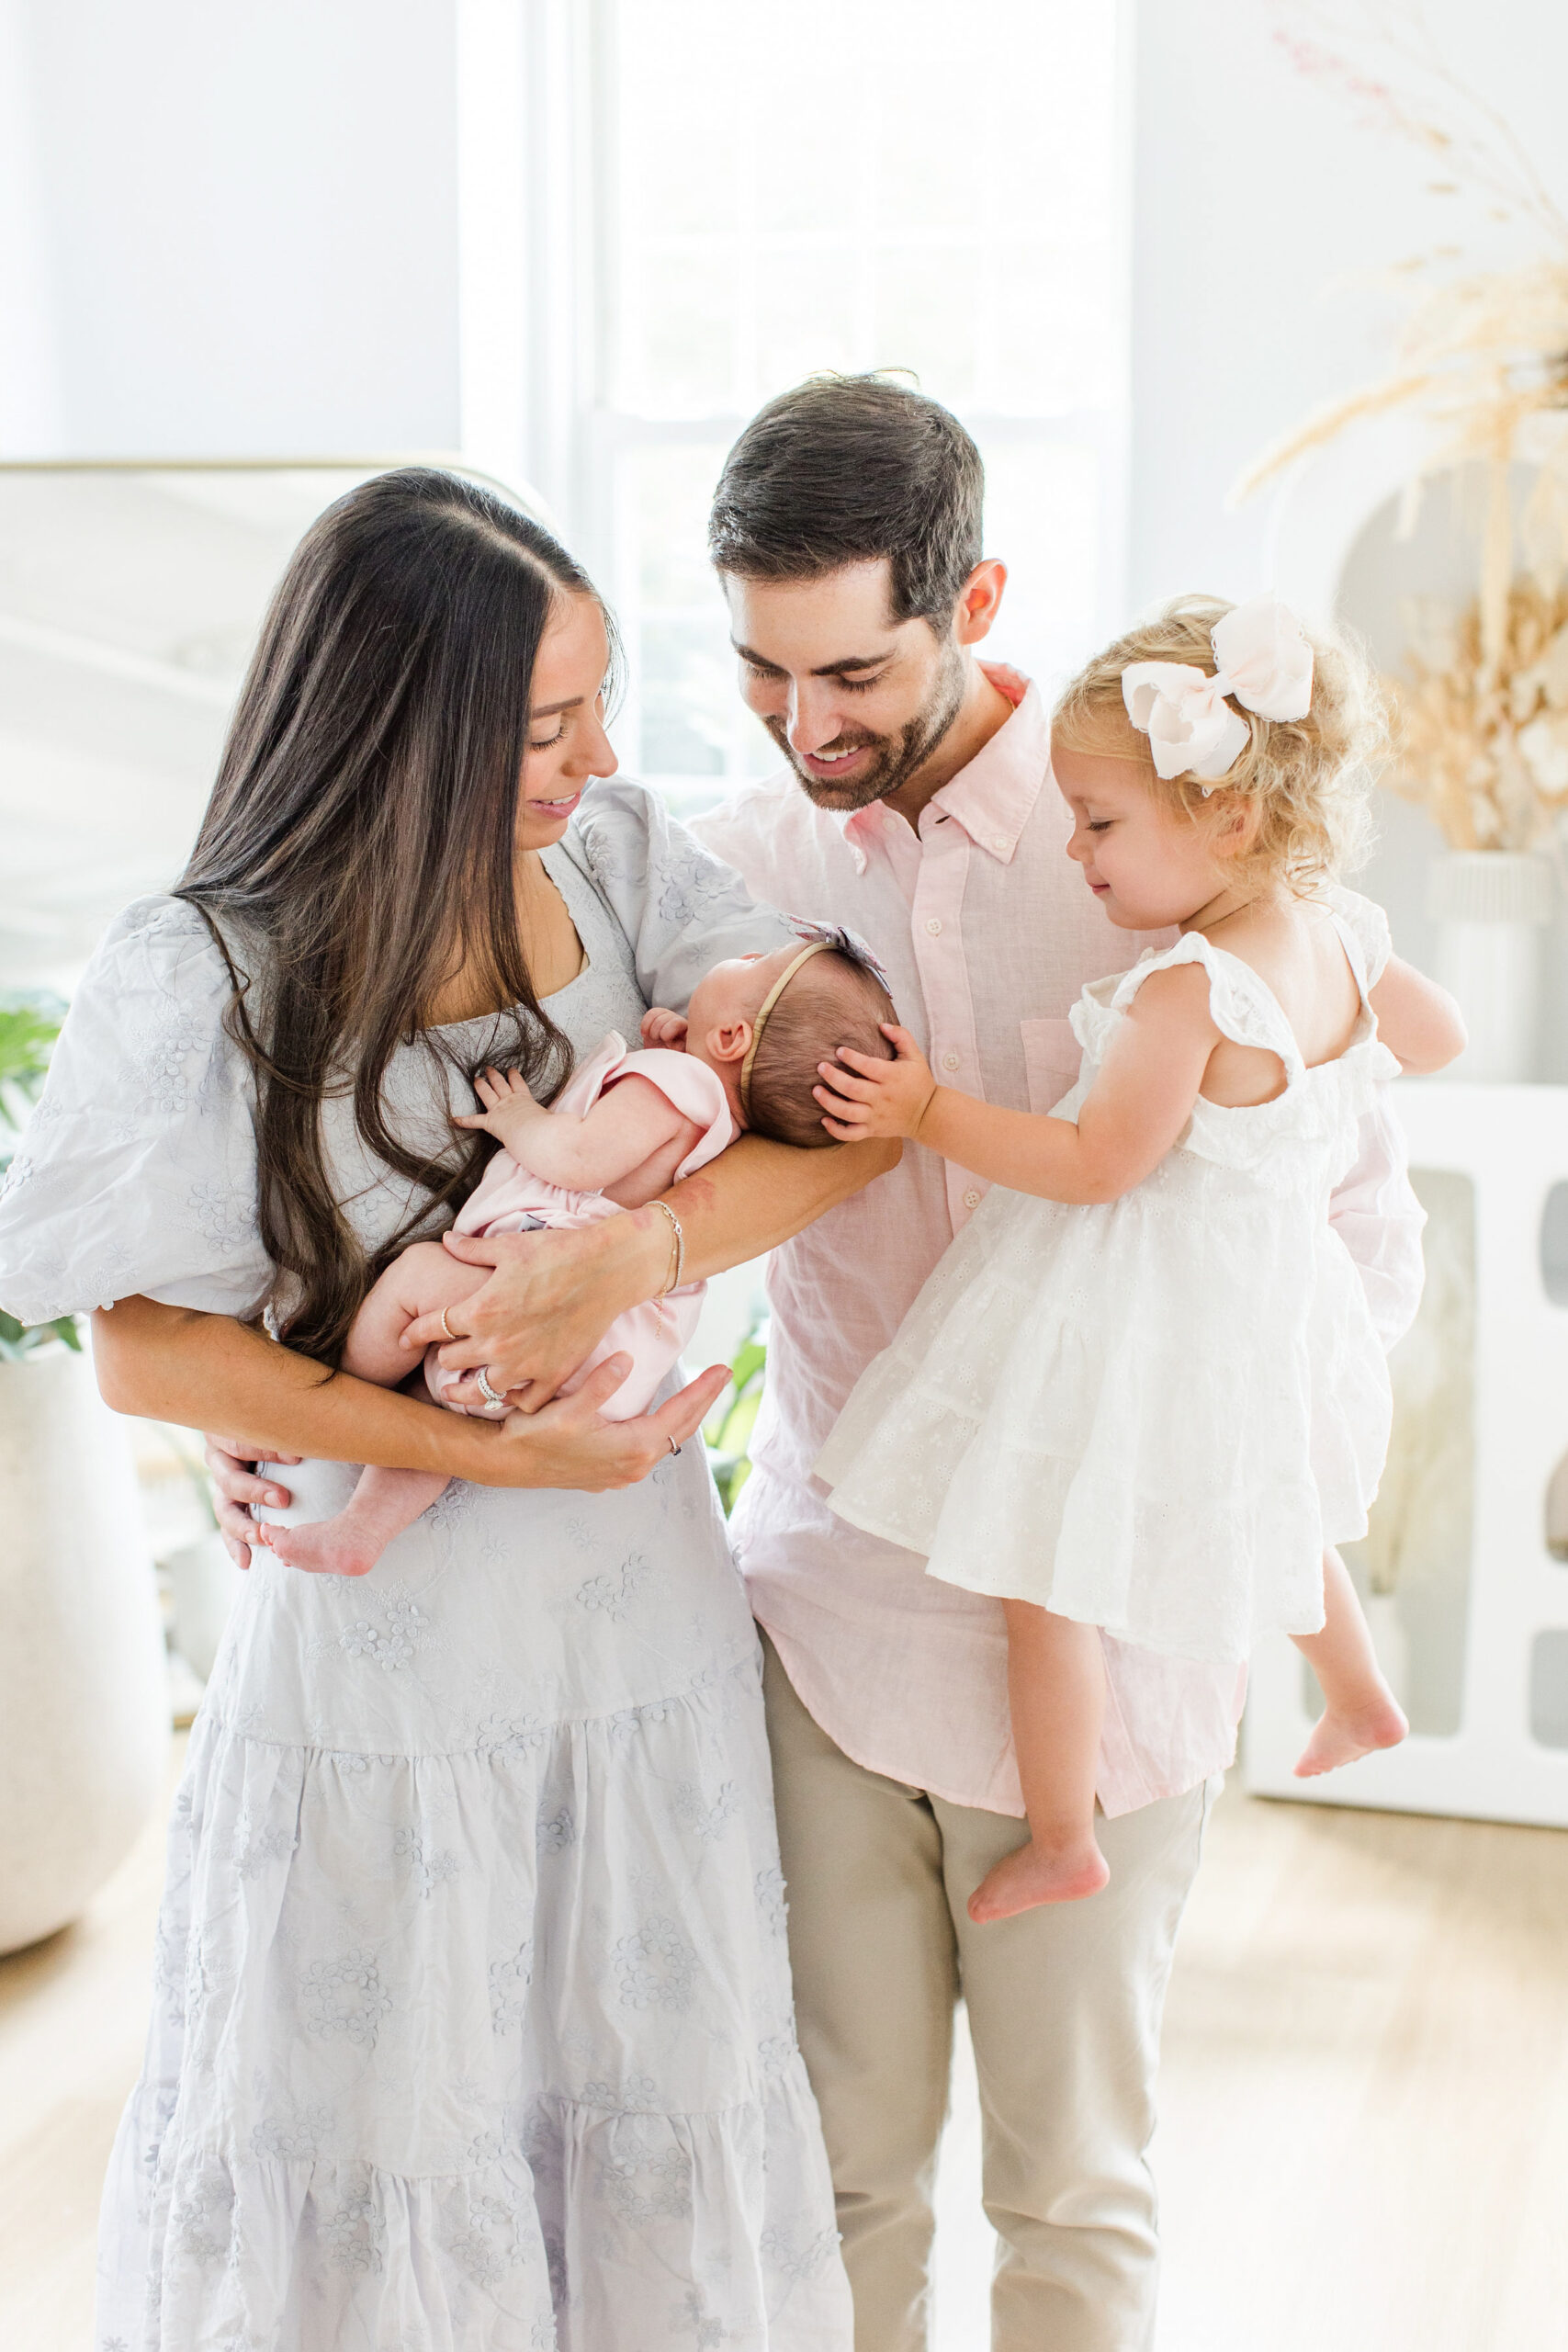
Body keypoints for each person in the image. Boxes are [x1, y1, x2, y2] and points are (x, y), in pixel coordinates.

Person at [0, 469, 866, 2350]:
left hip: (636, 1644)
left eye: (600, 701)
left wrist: (621, 1261)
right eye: (548, 724)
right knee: (385, 2148)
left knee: (641, 2110)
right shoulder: (205, 967)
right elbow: (145, 1352)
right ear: (399, 722)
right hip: (381, 1675)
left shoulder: (626, 864)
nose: (599, 754)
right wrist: (493, 1443)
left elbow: (850, 1110)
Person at [684, 375, 1428, 2351]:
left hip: (1108, 1643)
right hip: (829, 1610)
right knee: (831, 2172)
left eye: (849, 666)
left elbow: (1349, 1222)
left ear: (976, 595)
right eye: (760, 672)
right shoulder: (741, 858)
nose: (804, 724)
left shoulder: (1161, 851)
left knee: (1071, 2190)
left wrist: (1217, 1468)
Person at [815, 594, 1464, 1924]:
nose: (1075, 853)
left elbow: (1093, 1165)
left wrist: (923, 1110)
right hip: (1267, 1296)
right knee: (1271, 1504)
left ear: (1226, 817)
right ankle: (1357, 1695)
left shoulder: (1187, 991)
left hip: (1141, 1308)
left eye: (1098, 823)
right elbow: (1437, 1037)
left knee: (1036, 1575)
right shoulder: (1335, 931)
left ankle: (1062, 1837)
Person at [259, 933, 893, 1579]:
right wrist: (684, 1036)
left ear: (729, 1040)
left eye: (756, 958)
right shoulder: (719, 1121)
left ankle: (325, 1404)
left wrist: (518, 1118)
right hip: (605, 1366)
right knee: (431, 1401)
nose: (743, 951)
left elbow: (582, 1156)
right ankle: (361, 1531)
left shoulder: (674, 1081)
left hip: (552, 1297)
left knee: (416, 1282)